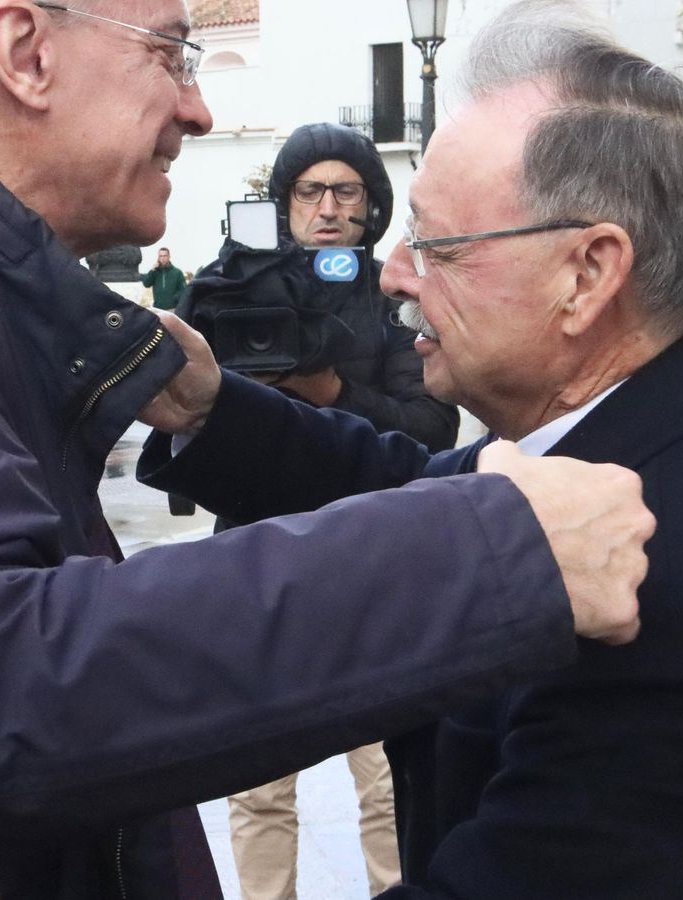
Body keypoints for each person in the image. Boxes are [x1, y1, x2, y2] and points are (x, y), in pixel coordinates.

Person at [0, 0, 659, 896]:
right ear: (25, 51)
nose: (197, 103)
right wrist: (480, 556)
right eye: (170, 50)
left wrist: (207, 407)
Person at [133, 2, 683, 895]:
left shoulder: (671, 600)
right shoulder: (636, 426)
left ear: (587, 274)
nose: (396, 272)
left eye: (438, 245)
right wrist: (211, 407)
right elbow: (414, 485)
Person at [218, 123, 457, 900]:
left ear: (370, 205)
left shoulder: (395, 295)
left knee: (390, 775)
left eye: (345, 190)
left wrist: (330, 395)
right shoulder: (240, 292)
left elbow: (431, 428)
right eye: (309, 191)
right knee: (258, 784)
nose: (327, 207)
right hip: (259, 559)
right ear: (283, 205)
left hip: (375, 564)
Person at [141, 245, 187, 309]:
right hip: (158, 309)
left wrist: (174, 299)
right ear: (158, 257)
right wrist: (152, 270)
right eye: (160, 256)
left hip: (172, 309)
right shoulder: (155, 272)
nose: (162, 258)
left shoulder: (177, 272)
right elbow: (146, 284)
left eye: (165, 256)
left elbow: (183, 290)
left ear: (169, 257)